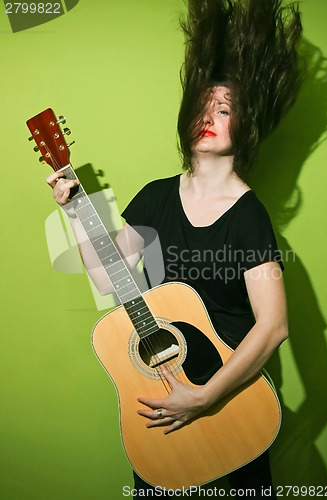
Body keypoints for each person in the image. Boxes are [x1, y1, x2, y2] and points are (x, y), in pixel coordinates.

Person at [46, 0, 303, 497]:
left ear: (245, 124)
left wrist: (204, 398)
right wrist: (75, 208)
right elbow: (107, 279)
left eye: (224, 109)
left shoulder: (249, 216)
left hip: (230, 402)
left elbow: (274, 326)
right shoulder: (156, 196)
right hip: (160, 396)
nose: (209, 117)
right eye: (204, 107)